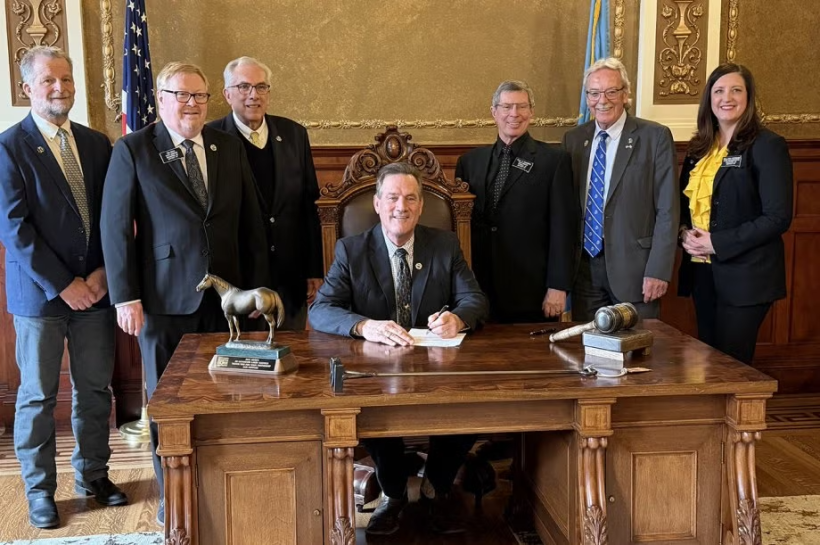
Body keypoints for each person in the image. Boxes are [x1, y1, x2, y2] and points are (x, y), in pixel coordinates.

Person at [100, 62, 268, 524]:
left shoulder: (227, 147)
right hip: (163, 299)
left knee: (229, 395)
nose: (192, 104)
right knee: (168, 405)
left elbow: (251, 224)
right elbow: (115, 229)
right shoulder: (134, 149)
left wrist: (254, 291)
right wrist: (125, 296)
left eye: (200, 96)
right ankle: (172, 494)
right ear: (160, 98)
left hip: (227, 301)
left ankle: (222, 487)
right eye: (182, 95)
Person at [309, 163, 488, 536]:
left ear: (421, 206)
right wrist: (364, 326)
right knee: (370, 410)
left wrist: (458, 318)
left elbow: (474, 298)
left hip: (438, 367)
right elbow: (321, 310)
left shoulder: (444, 245)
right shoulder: (351, 250)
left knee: (473, 403)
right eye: (392, 198)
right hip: (376, 369)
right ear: (377, 204)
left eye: (410, 198)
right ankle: (393, 493)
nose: (400, 207)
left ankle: (435, 485)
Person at [0, 46, 127, 529]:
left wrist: (100, 275)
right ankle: (39, 490)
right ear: (28, 88)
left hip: (95, 290)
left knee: (95, 389)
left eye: (67, 80)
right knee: (36, 396)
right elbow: (14, 228)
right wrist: (63, 283)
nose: (60, 88)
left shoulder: (98, 144)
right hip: (41, 296)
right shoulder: (9, 147)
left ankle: (94, 475)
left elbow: (113, 218)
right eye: (49, 81)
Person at [678, 63, 793, 364]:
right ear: (709, 99)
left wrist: (717, 242)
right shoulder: (698, 149)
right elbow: (684, 209)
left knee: (731, 362)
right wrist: (683, 234)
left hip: (746, 277)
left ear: (749, 97)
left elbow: (777, 217)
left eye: (736, 90)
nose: (726, 98)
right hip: (702, 272)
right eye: (718, 91)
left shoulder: (767, 146)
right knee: (707, 359)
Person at [208, 57, 323, 329]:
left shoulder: (294, 134)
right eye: (244, 87)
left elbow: (309, 206)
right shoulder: (211, 138)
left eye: (261, 87)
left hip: (290, 279)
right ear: (227, 94)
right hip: (240, 284)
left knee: (293, 361)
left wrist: (314, 270)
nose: (253, 95)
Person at [563, 58, 679, 320]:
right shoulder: (573, 139)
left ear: (625, 94)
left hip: (636, 272)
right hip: (585, 273)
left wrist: (658, 270)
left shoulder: (654, 137)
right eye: (594, 93)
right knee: (590, 351)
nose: (601, 100)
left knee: (638, 353)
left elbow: (668, 209)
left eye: (611, 91)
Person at [456, 80, 577, 323]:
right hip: (478, 288)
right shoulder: (469, 162)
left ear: (531, 112)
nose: (514, 114)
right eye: (507, 107)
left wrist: (558, 286)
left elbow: (564, 228)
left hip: (531, 290)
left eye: (522, 107)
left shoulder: (553, 161)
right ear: (494, 112)